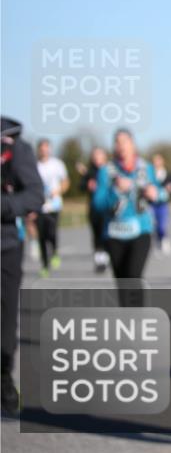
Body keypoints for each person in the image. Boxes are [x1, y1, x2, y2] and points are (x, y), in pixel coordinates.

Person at [92, 129, 167, 306]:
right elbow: (97, 203)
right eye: (117, 142)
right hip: (114, 234)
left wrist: (156, 193)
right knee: (122, 283)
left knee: (134, 276)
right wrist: (115, 190)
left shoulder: (146, 168)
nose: (121, 146)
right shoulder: (106, 171)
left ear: (132, 144)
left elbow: (162, 194)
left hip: (140, 232)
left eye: (124, 141)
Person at [1, 117, 44, 416]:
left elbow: (34, 195)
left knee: (4, 320)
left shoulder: (11, 144)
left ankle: (3, 377)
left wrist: (4, 205)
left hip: (4, 247)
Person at [32, 139, 68, 278]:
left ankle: (54, 252)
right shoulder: (34, 165)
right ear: (38, 150)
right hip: (39, 205)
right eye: (41, 148)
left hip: (54, 204)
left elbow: (66, 182)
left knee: (51, 232)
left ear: (50, 149)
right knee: (41, 236)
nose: (44, 151)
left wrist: (58, 191)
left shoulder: (57, 164)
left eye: (46, 148)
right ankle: (44, 265)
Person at [77, 148, 111, 271]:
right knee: (96, 233)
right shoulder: (90, 173)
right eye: (94, 156)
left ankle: (106, 257)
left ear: (104, 156)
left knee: (106, 233)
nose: (97, 158)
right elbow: (80, 186)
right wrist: (87, 185)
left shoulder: (110, 170)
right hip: (94, 208)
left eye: (99, 155)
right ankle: (98, 259)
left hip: (108, 209)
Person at [150, 154, 171, 255]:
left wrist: (170, 188)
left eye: (158, 160)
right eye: (155, 160)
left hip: (163, 202)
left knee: (162, 224)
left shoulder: (167, 173)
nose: (156, 162)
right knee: (153, 225)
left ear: (162, 161)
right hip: (152, 203)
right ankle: (157, 243)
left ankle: (164, 239)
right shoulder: (149, 173)